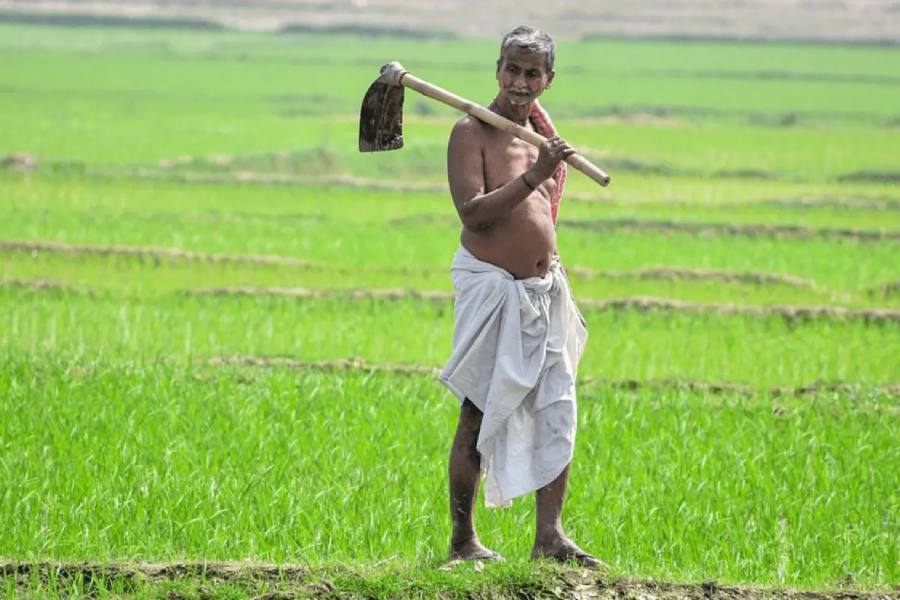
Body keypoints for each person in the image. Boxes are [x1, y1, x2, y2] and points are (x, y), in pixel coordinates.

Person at [439, 25, 601, 568]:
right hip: (493, 290)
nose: (520, 81)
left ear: (548, 80)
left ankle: (549, 538)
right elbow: (474, 214)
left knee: (558, 407)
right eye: (512, 68)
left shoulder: (541, 136)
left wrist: (543, 163)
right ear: (498, 69)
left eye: (533, 72)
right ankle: (464, 542)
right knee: (478, 412)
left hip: (543, 290)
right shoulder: (471, 133)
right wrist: (536, 173)